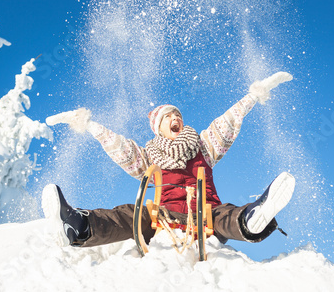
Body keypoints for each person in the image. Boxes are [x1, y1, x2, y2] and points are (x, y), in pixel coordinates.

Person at [42, 71, 296, 248]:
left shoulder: (202, 146)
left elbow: (227, 122)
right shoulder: (149, 156)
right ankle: (78, 226)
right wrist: (89, 126)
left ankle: (251, 220)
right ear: (158, 127)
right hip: (164, 217)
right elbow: (120, 147)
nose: (176, 118)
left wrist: (253, 96)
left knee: (223, 214)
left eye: (178, 115)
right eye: (169, 117)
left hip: (205, 212)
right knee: (132, 214)